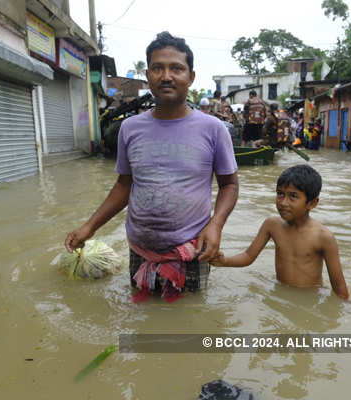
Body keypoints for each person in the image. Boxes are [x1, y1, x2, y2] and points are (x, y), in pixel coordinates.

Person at [65, 31, 239, 302]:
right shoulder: (129, 129)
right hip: (140, 248)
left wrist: (216, 224)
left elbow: (229, 184)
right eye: (158, 68)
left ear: (191, 77)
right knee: (143, 323)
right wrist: (90, 227)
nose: (166, 76)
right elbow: (124, 185)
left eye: (176, 68)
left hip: (193, 249)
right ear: (147, 75)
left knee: (191, 322)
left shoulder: (214, 129)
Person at [211, 165, 349, 300]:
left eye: (293, 196)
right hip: (280, 294)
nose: (283, 202)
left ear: (312, 203)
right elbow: (248, 256)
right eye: (280, 194)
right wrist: (225, 261)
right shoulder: (272, 225)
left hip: (309, 299)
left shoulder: (323, 237)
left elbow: (339, 288)